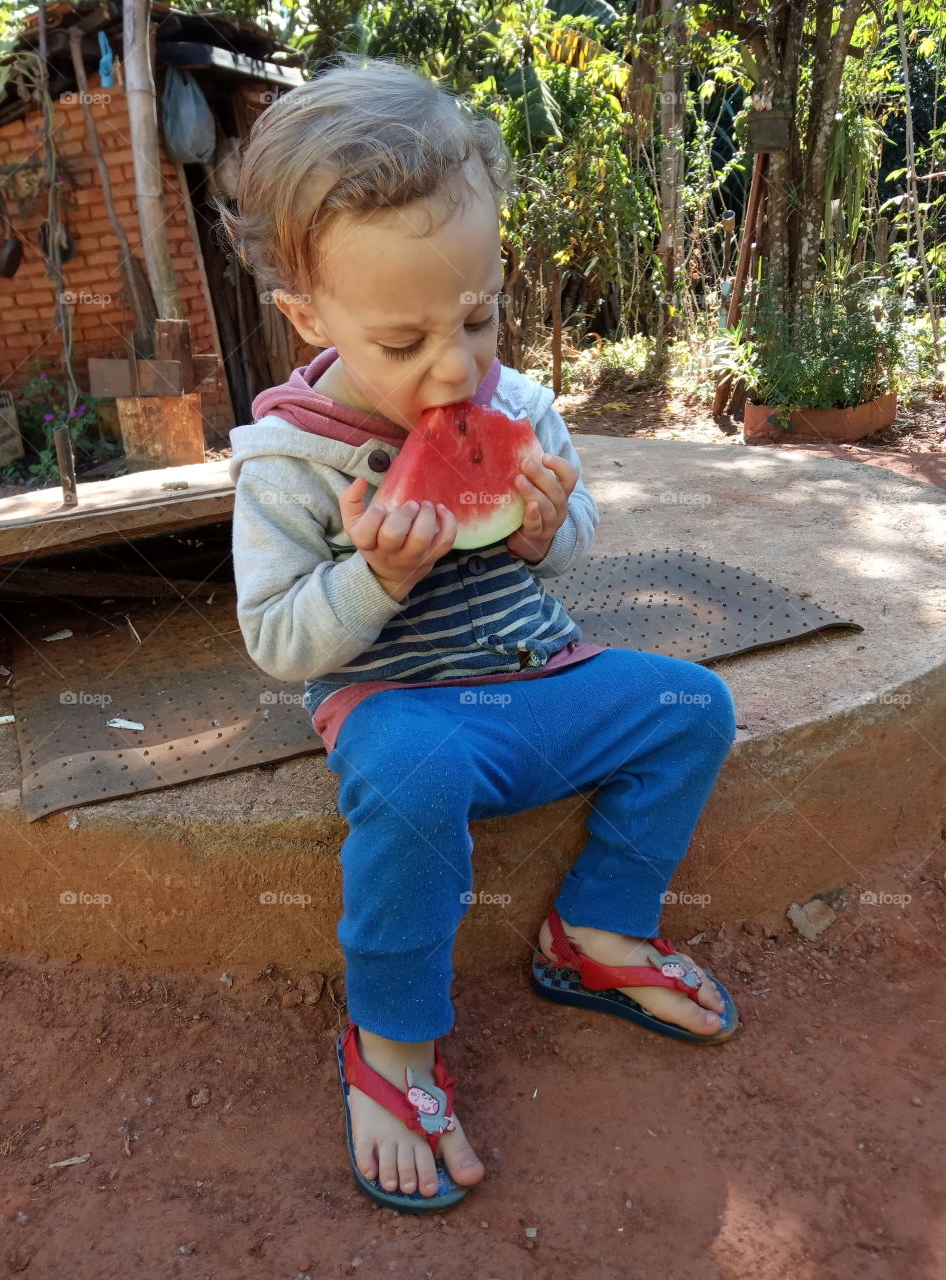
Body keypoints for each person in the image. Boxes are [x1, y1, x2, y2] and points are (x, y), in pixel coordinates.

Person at [216, 51, 740, 1215]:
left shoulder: (520, 405)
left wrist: (548, 528)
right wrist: (373, 579)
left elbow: (576, 534)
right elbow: (280, 640)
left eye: (480, 314)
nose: (456, 364)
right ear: (308, 316)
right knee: (412, 770)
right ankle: (392, 1039)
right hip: (399, 713)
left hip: (539, 680)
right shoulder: (284, 461)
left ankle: (595, 928)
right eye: (404, 343)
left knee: (693, 706)